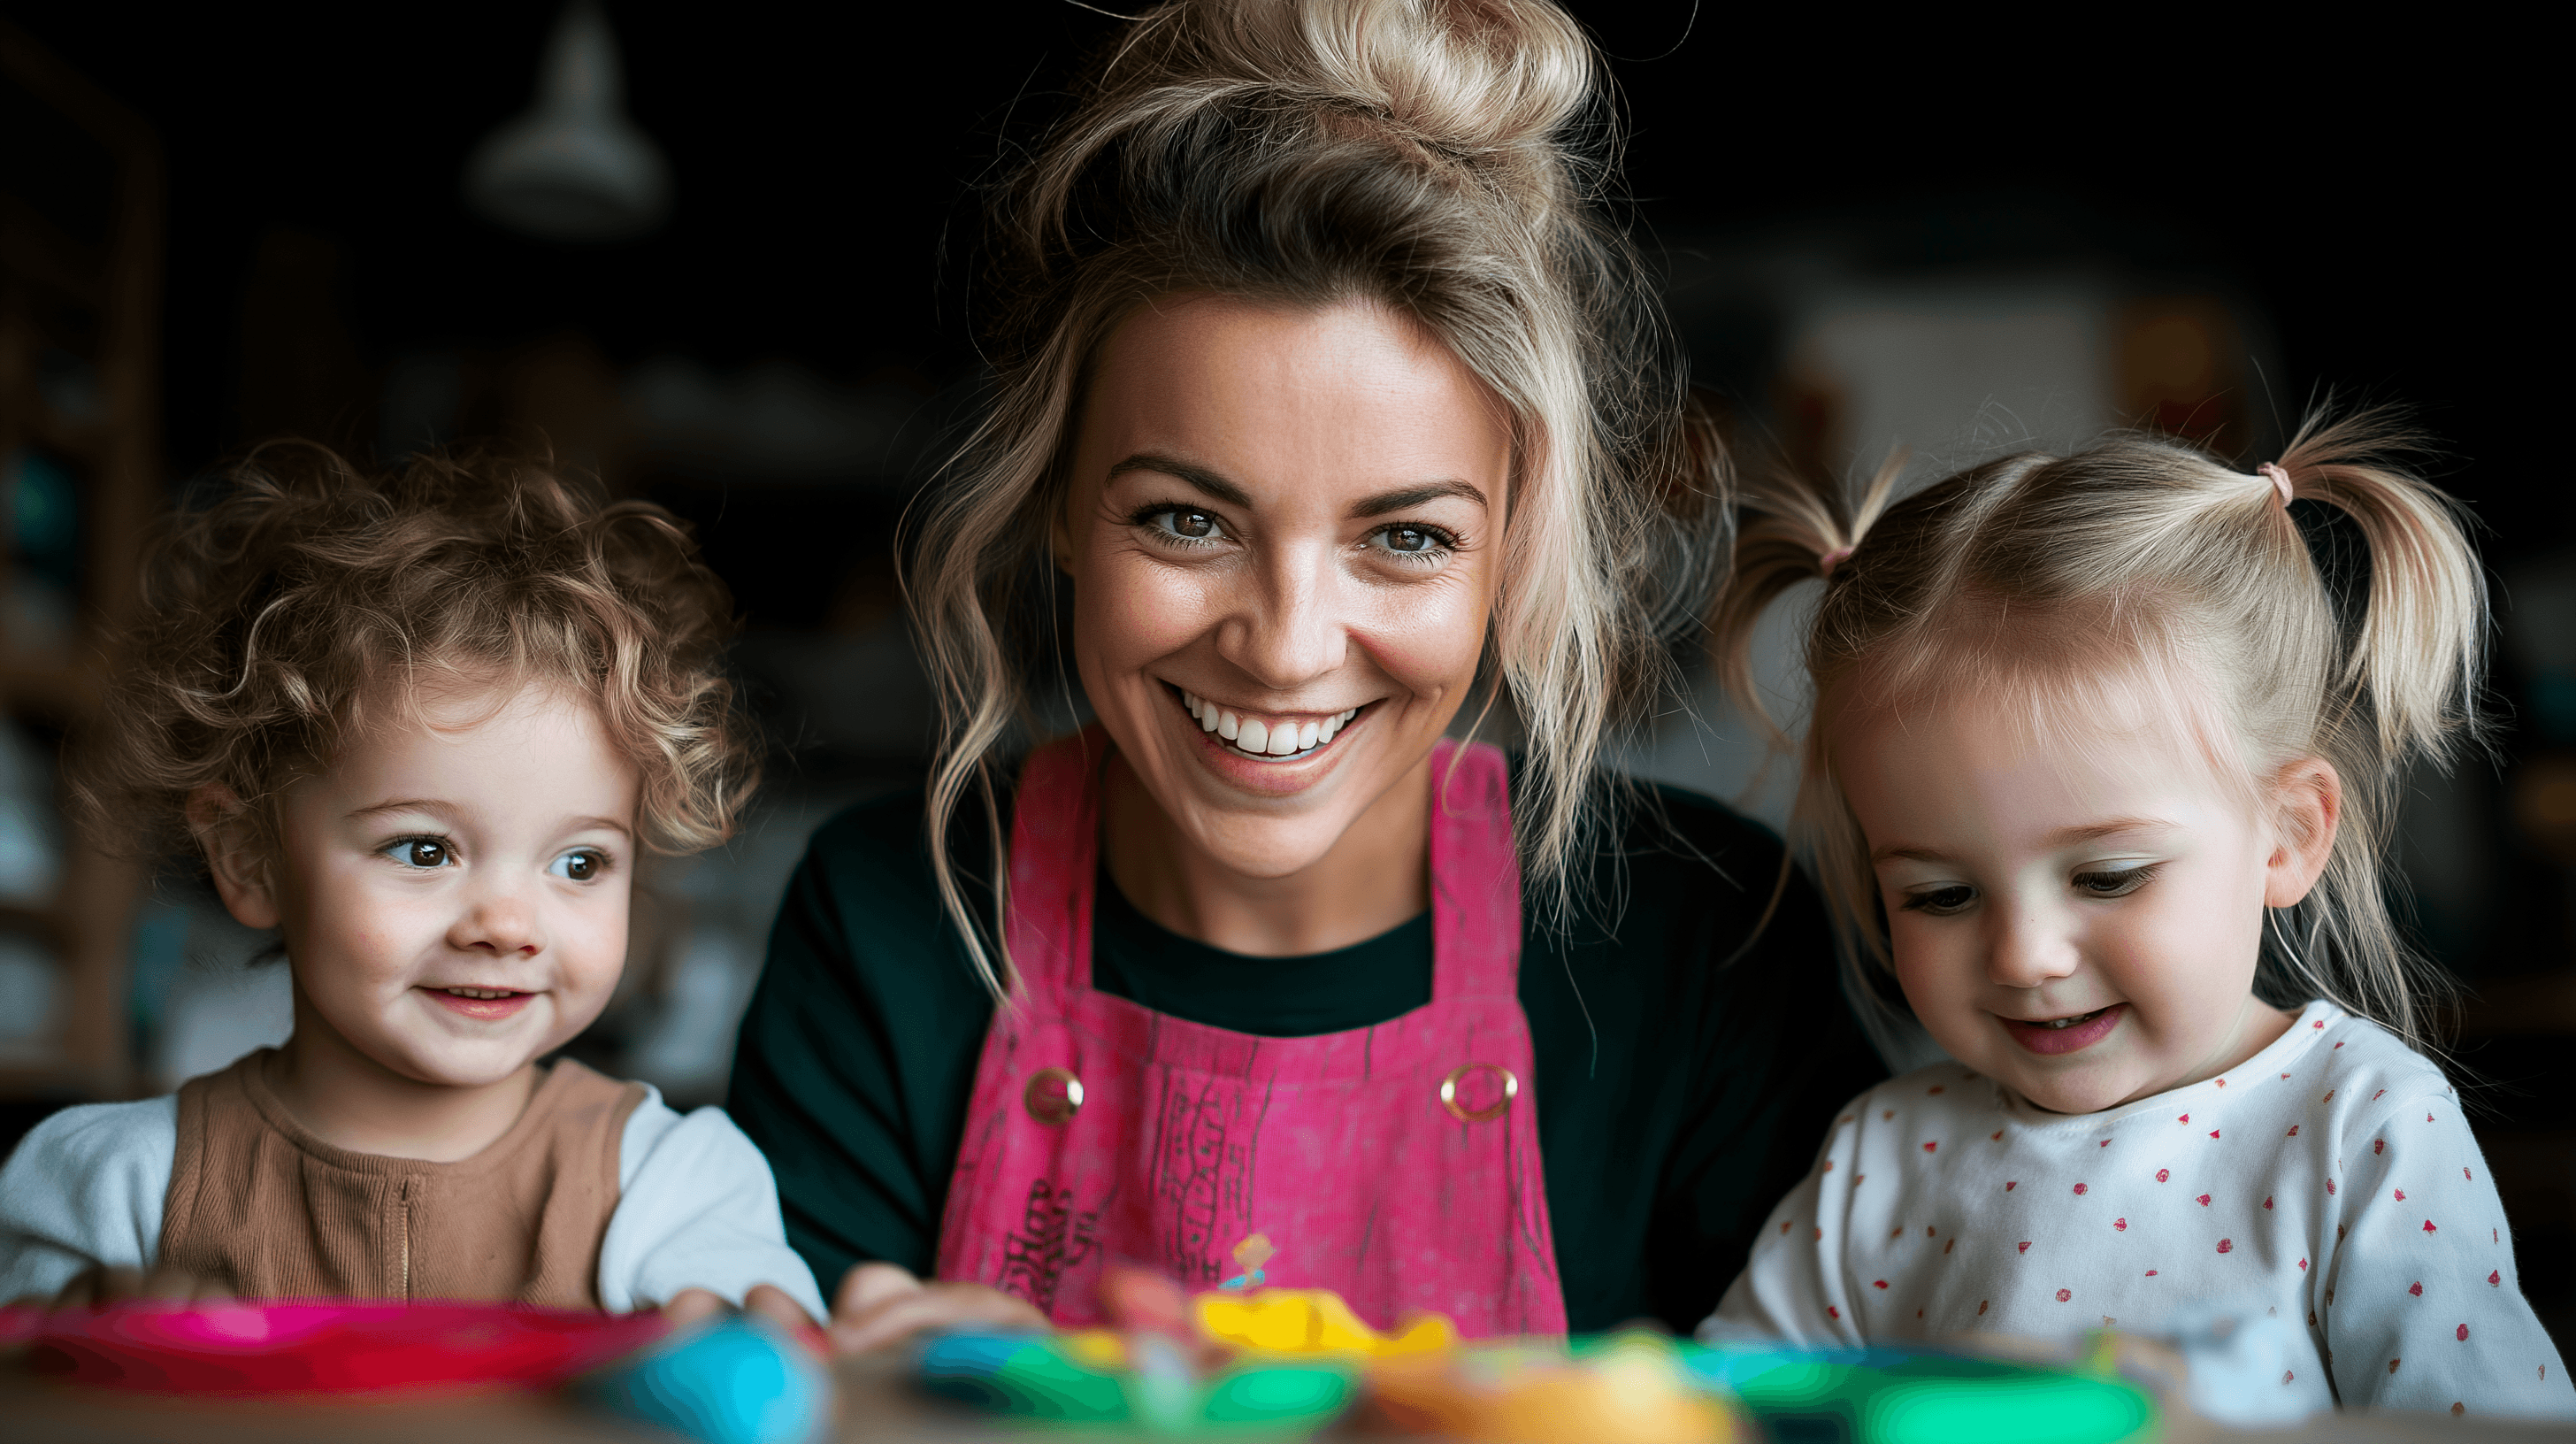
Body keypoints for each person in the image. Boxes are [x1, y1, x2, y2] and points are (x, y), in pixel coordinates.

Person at [726, 0, 1882, 1351]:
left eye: (1405, 539)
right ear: (1055, 501)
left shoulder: (1703, 943)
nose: (1284, 645)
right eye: (1186, 520)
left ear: (1512, 546)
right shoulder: (889, 923)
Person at [1698, 414, 2576, 1418]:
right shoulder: (1884, 1155)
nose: (2024, 956)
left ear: (2285, 833)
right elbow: (1730, 1410)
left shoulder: (2359, 1128)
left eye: (2108, 876)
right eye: (1939, 894)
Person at [0, 445, 824, 1327]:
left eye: (578, 863)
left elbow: (782, 1385)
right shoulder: (113, 1190)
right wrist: (81, 1351)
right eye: (425, 851)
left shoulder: (673, 1192)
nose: (508, 926)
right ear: (247, 857)